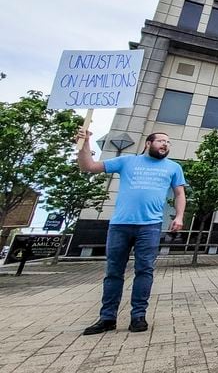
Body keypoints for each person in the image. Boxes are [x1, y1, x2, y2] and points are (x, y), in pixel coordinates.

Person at [76, 129, 186, 335]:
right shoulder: (126, 161)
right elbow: (88, 166)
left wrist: (179, 217)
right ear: (148, 143)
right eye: (161, 141)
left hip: (150, 226)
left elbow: (180, 194)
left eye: (168, 142)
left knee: (144, 270)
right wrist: (85, 143)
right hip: (120, 225)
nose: (166, 145)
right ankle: (107, 317)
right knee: (113, 272)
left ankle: (138, 316)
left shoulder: (173, 167)